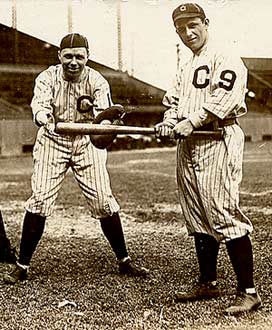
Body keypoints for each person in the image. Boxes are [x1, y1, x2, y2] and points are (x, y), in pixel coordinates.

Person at [3, 33, 149, 284]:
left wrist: (105, 124)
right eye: (68, 56)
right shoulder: (47, 77)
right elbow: (39, 107)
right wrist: (44, 118)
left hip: (86, 142)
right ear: (59, 56)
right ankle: (22, 266)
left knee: (103, 201)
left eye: (79, 57)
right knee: (39, 200)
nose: (73, 62)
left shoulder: (98, 81)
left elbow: (103, 119)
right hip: (53, 140)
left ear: (87, 57)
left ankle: (124, 261)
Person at [155, 3, 261, 315]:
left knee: (223, 211)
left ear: (205, 23)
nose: (188, 33)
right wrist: (169, 119)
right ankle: (207, 282)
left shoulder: (224, 55)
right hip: (190, 144)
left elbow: (226, 97)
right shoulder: (186, 64)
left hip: (217, 138)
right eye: (181, 28)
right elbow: (172, 101)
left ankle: (249, 291)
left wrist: (192, 120)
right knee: (196, 213)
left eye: (193, 25)